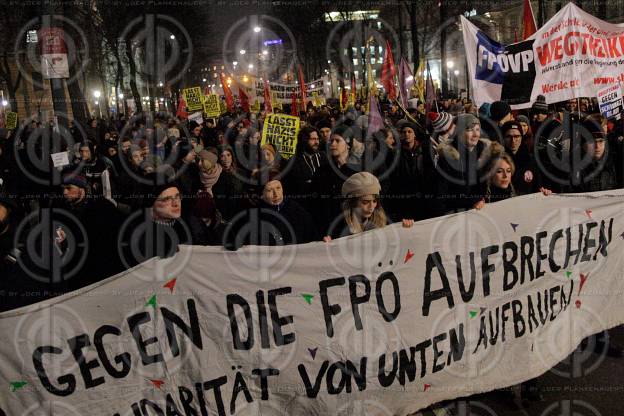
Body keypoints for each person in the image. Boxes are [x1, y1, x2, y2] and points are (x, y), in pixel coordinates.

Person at [224, 171, 317, 249]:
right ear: (261, 194)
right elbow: (235, 240)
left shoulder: (297, 210)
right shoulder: (252, 215)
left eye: (278, 188)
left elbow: (313, 237)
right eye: (269, 190)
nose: (276, 194)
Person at [435, 114, 505, 215]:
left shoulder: (487, 154)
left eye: (477, 129)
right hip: (456, 215)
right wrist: (473, 202)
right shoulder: (448, 158)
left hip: (485, 212)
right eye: (469, 130)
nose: (475, 134)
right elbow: (441, 196)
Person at [324, 172, 414, 240]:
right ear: (353, 203)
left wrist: (405, 230)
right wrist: (328, 244)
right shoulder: (338, 228)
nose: (371, 207)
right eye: (365, 202)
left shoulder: (385, 222)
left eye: (374, 201)